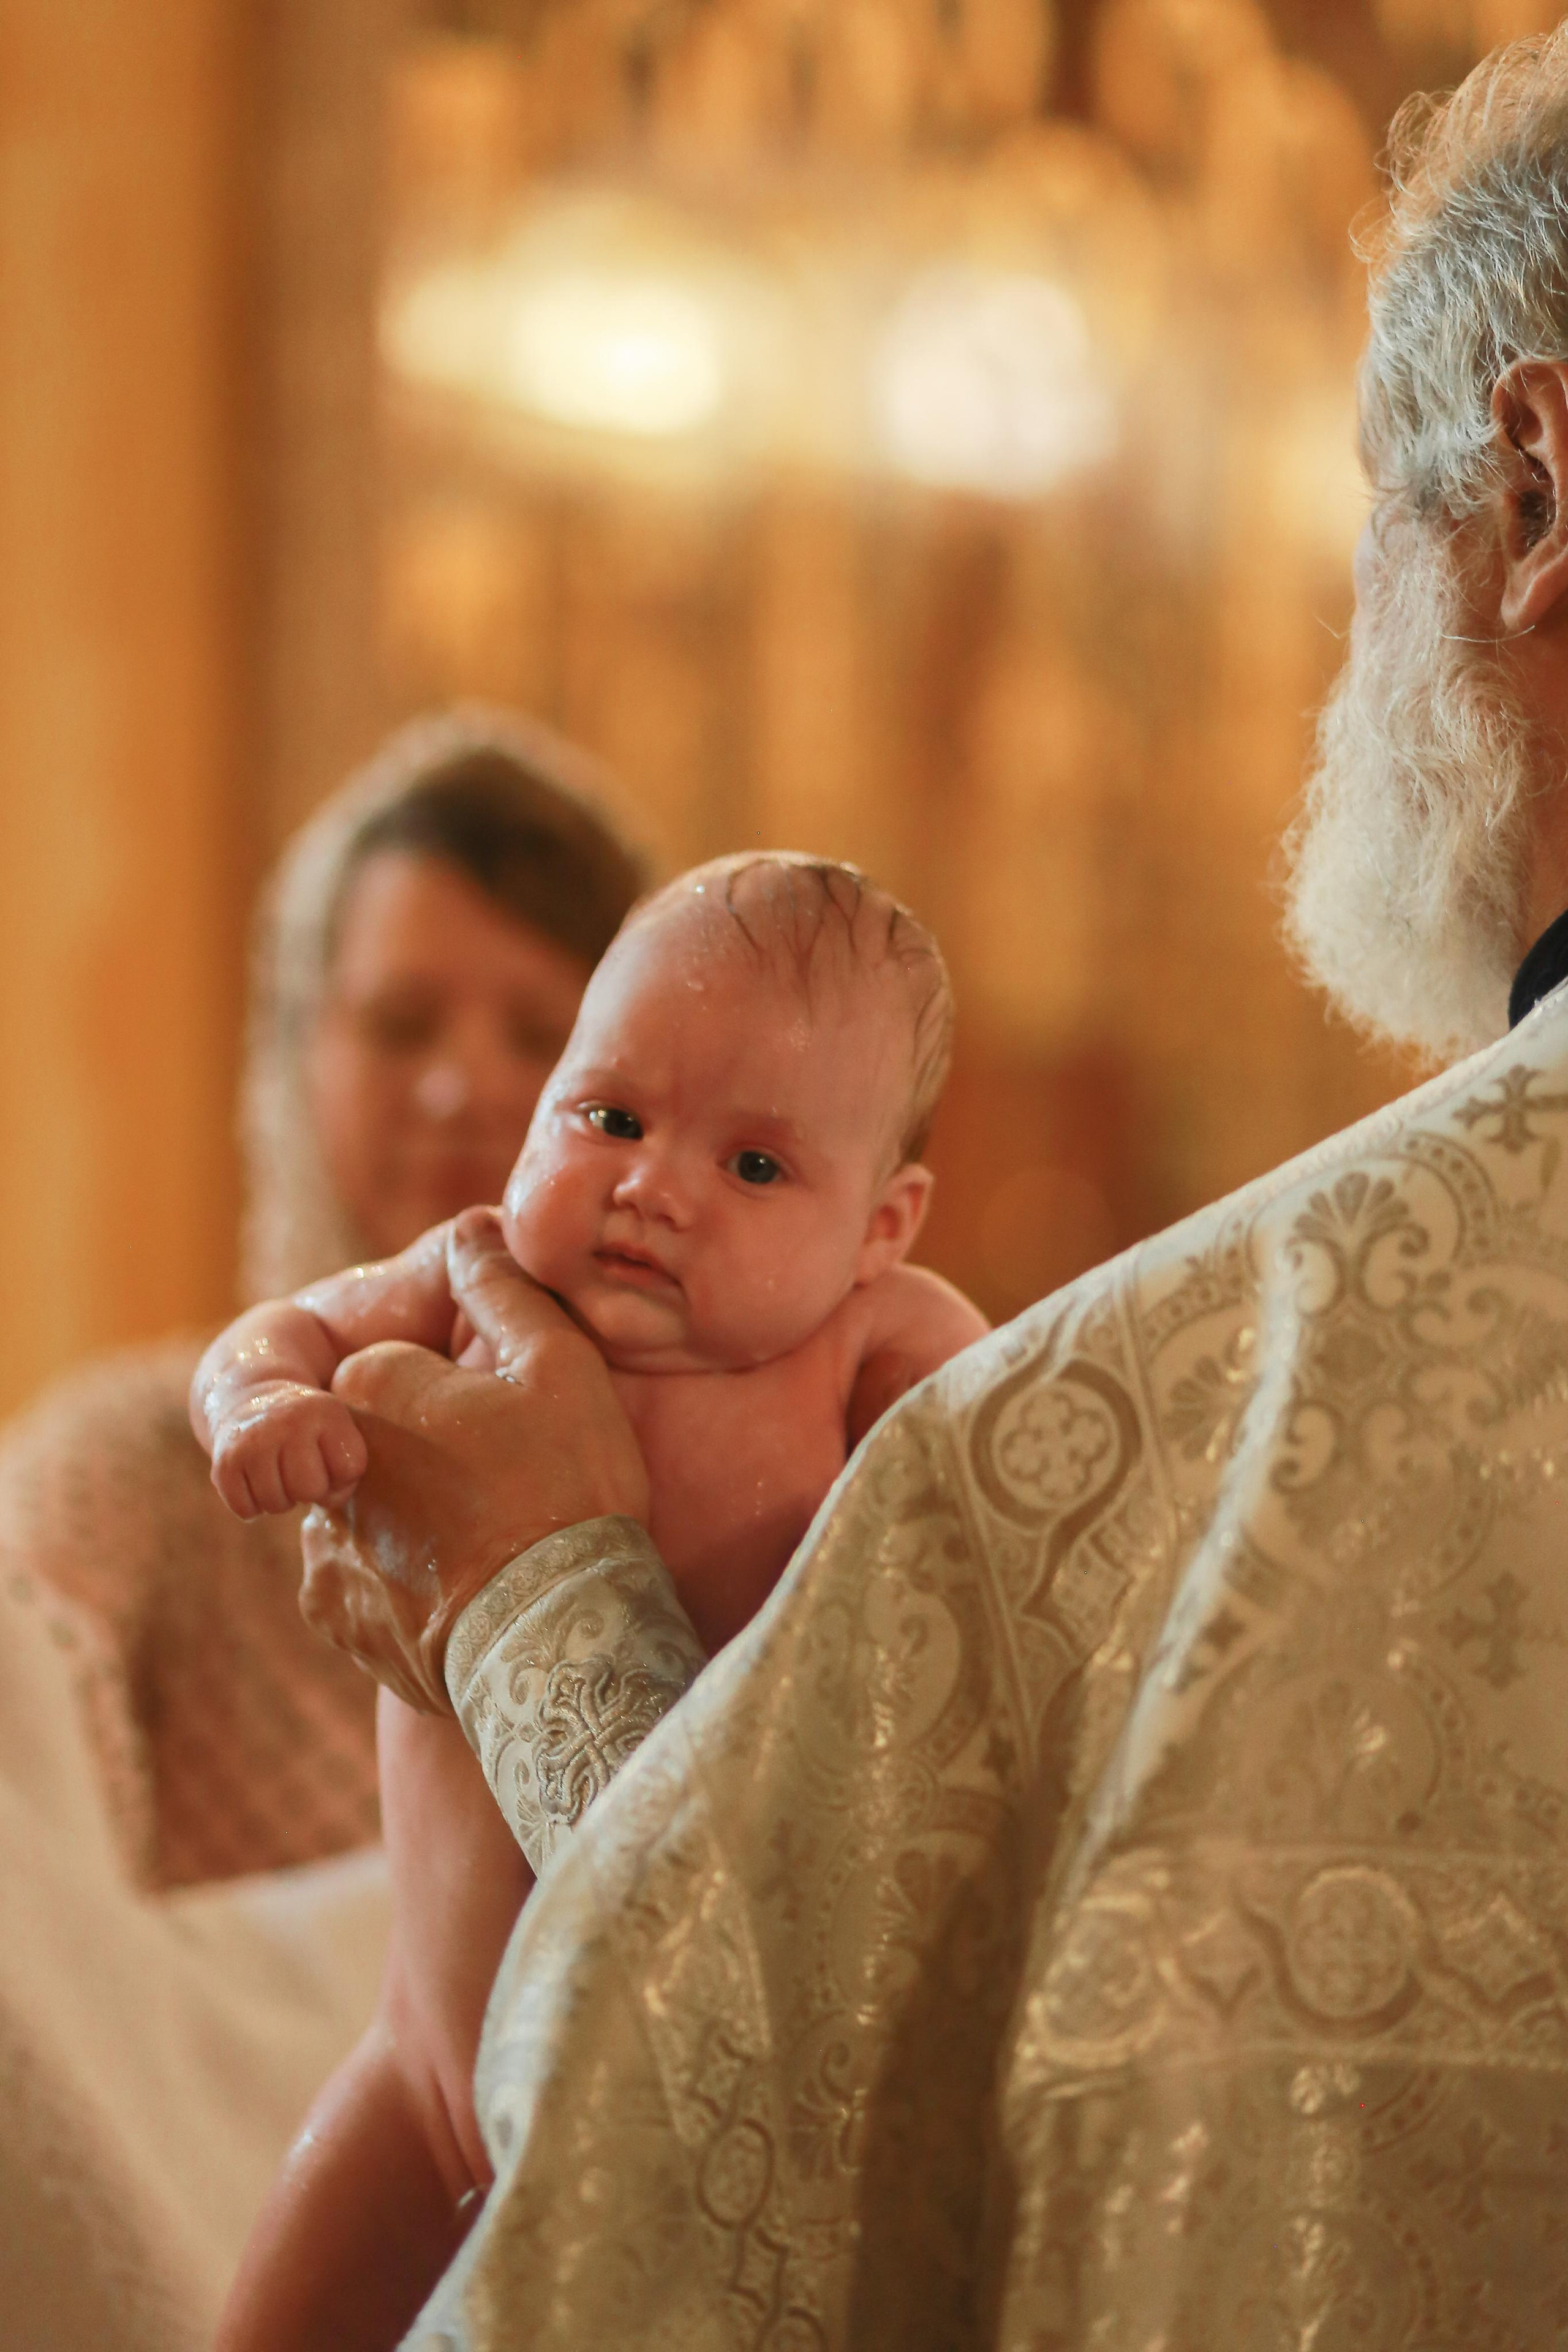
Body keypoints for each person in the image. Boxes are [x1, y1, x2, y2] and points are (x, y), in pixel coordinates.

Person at [278, 31, 1568, 2348]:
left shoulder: (1150, 1416)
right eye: (617, 1117)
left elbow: (777, 2135)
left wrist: (544, 1602)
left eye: (1367, 521)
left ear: (1539, 489)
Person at [199, 854, 988, 2351]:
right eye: (609, 1117)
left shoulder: (871, 1347)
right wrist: (253, 1410)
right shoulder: (475, 1280)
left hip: (679, 2127)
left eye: (753, 1168)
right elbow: (276, 1332)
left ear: (883, 1226)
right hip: (424, 2083)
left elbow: (1020, 1510)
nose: (649, 1187)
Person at [0, 706, 648, 2349]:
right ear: (299, 1054)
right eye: (400, 1020)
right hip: (219, 2217)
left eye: (541, 1038)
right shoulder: (142, 1463)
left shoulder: (702, 1515)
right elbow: (30, 1834)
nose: (462, 1082)